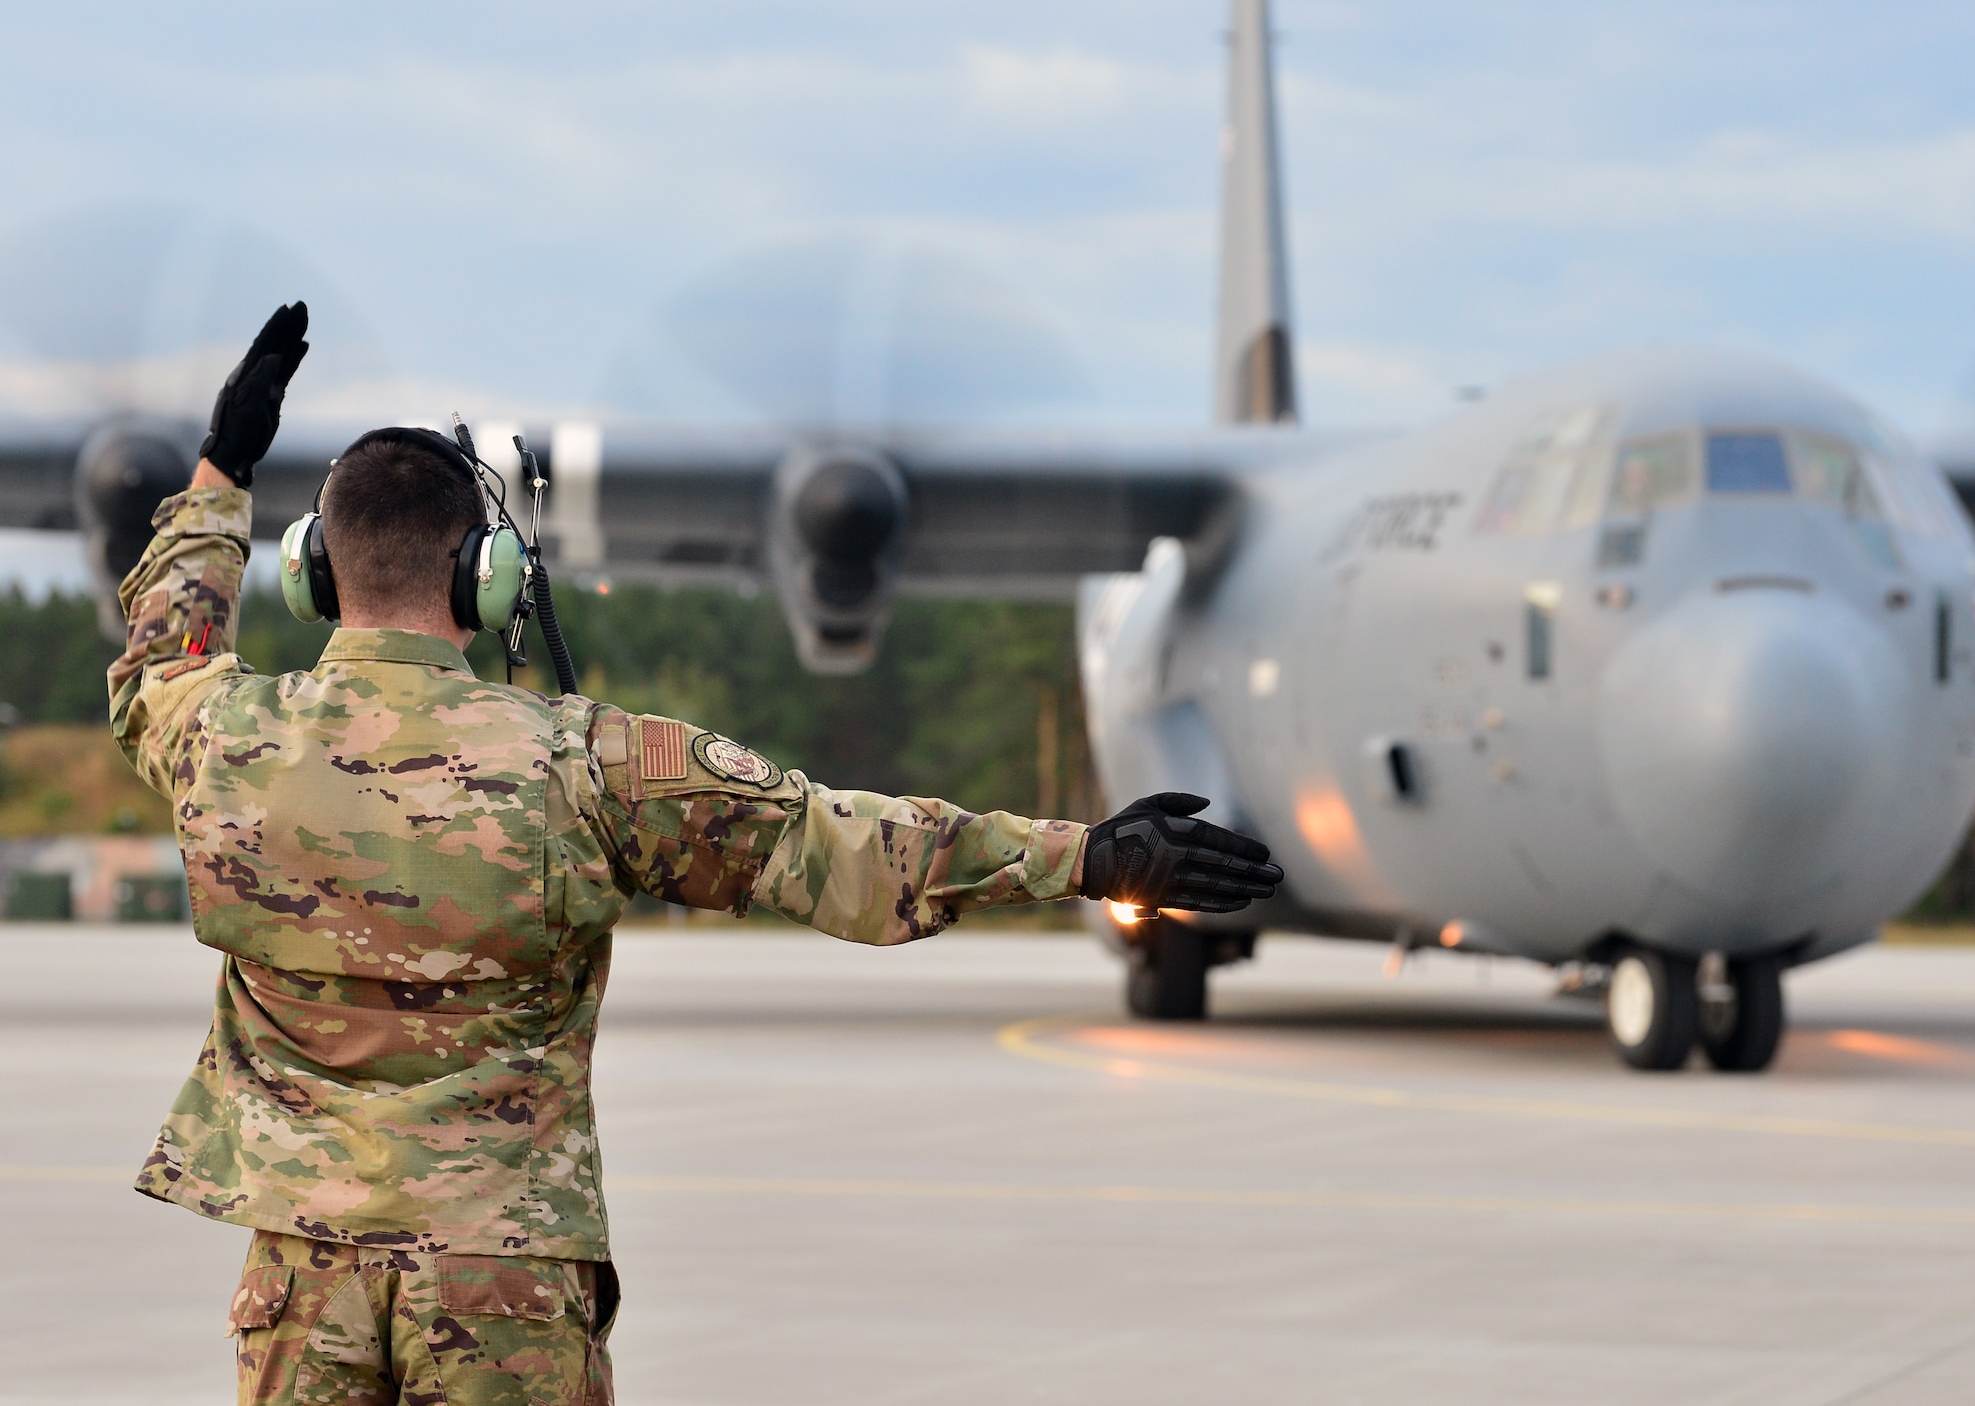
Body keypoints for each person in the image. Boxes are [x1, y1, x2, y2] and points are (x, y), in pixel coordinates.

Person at [109, 304, 1283, 1406]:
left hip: (300, 1279)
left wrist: (220, 474)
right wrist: (1086, 857)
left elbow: (160, 654)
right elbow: (833, 843)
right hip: (505, 1285)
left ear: (315, 570)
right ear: (489, 576)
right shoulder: (590, 765)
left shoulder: (221, 735)